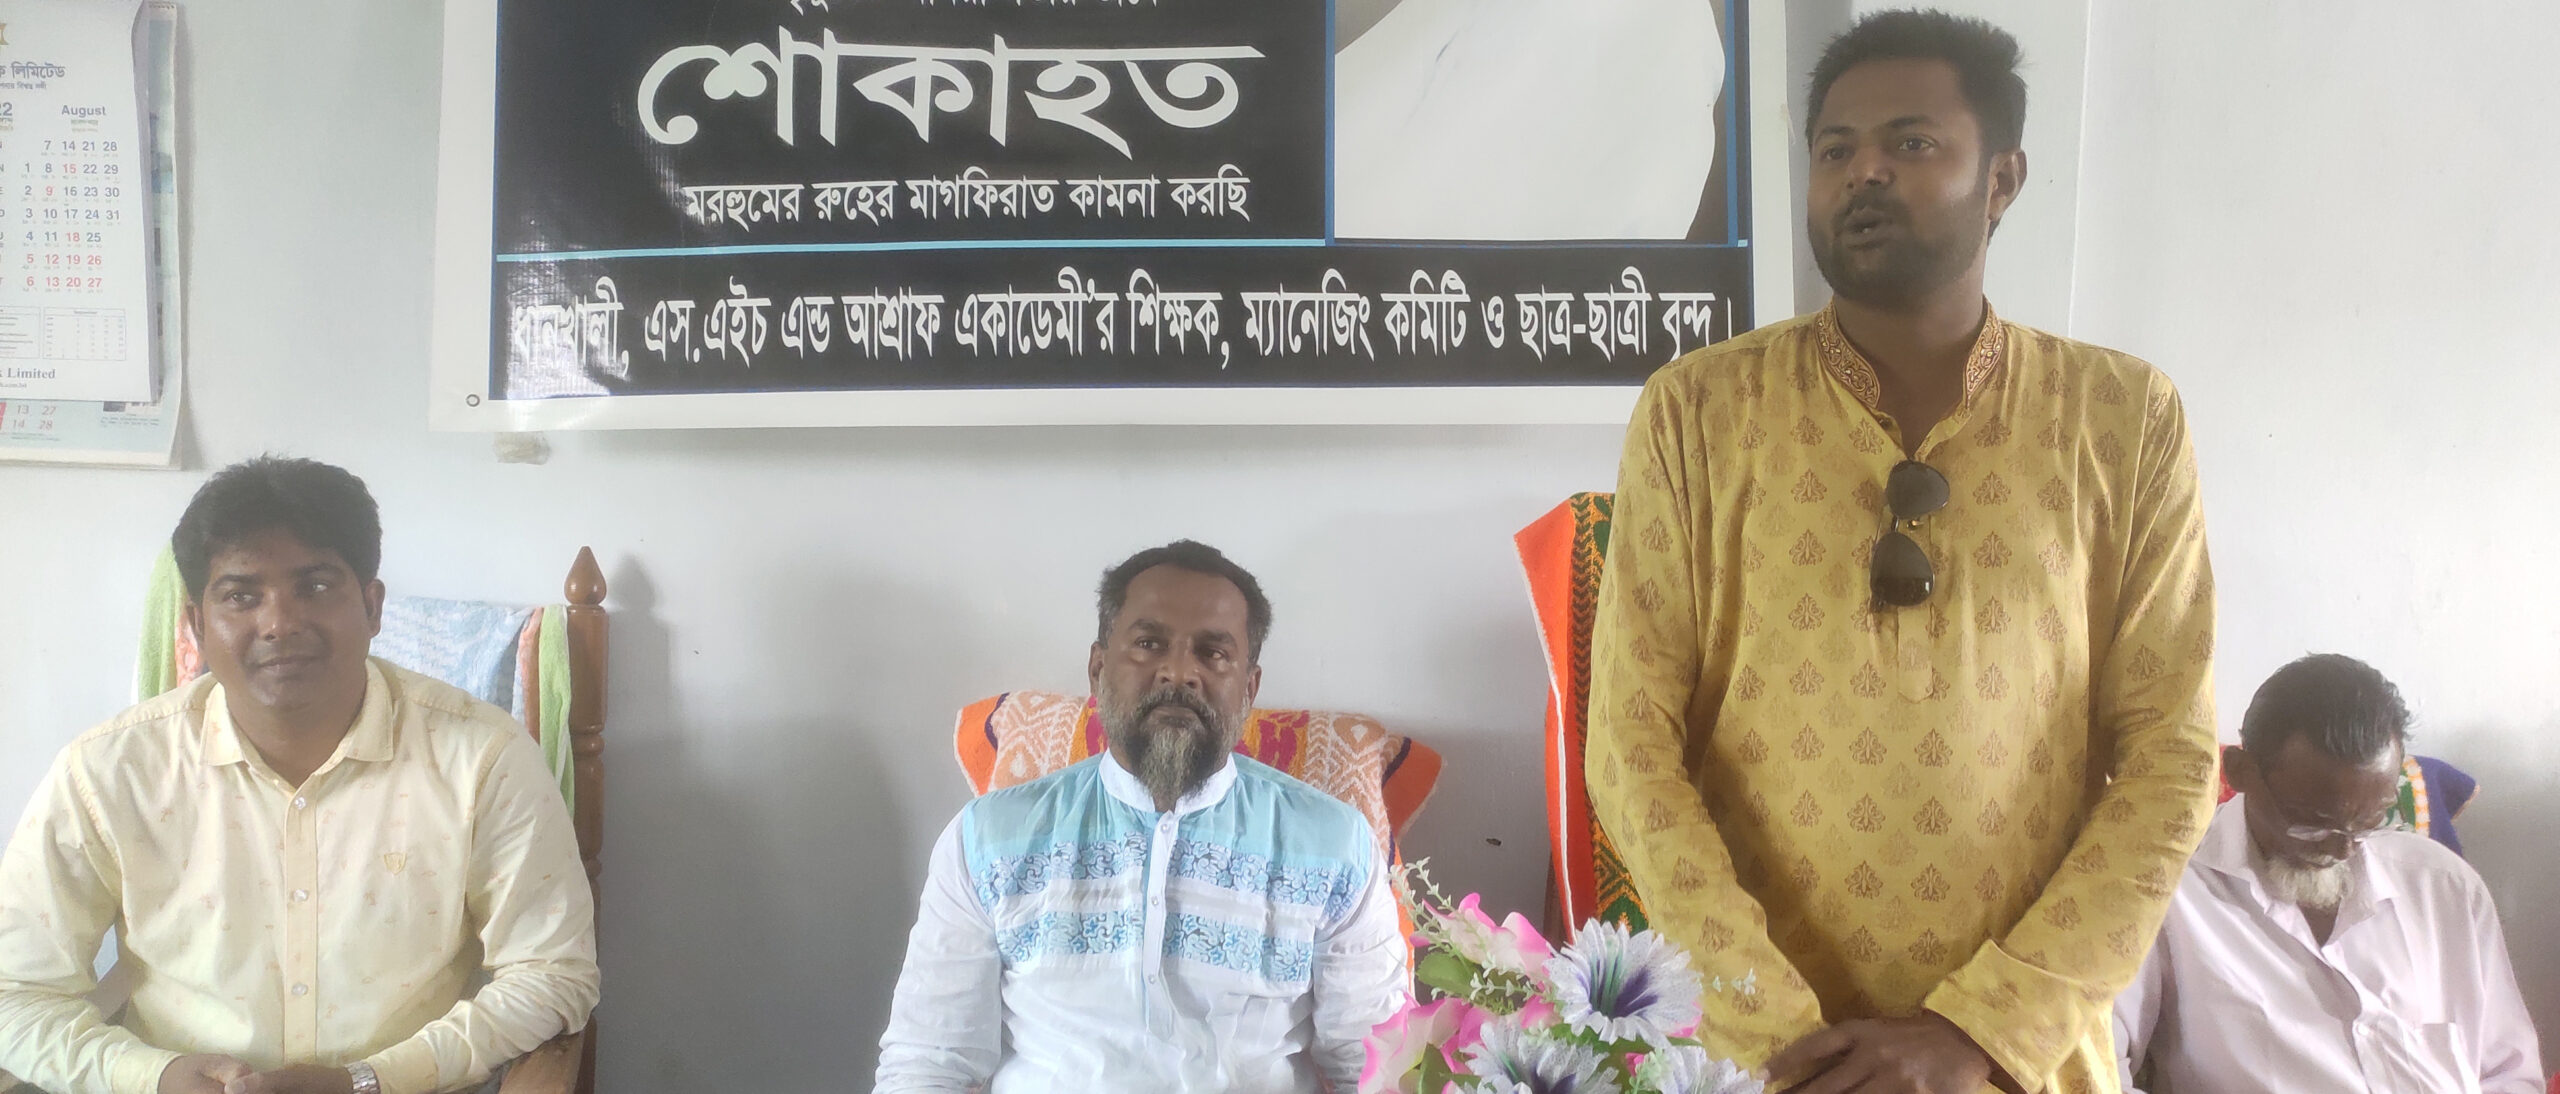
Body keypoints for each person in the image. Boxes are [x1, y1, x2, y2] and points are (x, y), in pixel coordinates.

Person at [1583, 10, 2219, 1092]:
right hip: (1764, 1060)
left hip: (2018, 1061)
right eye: (1834, 149)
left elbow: (2172, 759)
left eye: (1910, 143)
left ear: (2003, 179)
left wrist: (1983, 1030)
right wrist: (1778, 1030)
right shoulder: (1698, 412)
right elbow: (1630, 742)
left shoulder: (2121, 418)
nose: (1863, 172)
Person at [0, 457, 598, 1094]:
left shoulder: (482, 759)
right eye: (241, 596)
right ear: (197, 625)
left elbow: (553, 973)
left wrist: (366, 1082)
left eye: (314, 586)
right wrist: (155, 1076)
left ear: (372, 607)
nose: (279, 623)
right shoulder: (109, 772)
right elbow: (15, 993)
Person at [873, 541, 1406, 1094]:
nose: (1179, 673)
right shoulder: (987, 838)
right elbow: (929, 1064)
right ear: (1098, 668)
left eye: (1213, 653)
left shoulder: (1335, 844)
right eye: (1150, 644)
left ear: (1249, 688)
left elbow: (1379, 1070)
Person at [2113, 655, 2544, 1093]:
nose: (2344, 848)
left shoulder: (2442, 884)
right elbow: (2095, 1072)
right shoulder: (2164, 892)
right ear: (2240, 772)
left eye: (2369, 821)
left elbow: (2511, 1075)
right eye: (2312, 823)